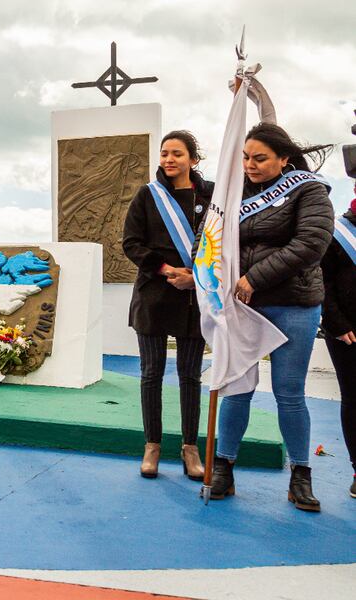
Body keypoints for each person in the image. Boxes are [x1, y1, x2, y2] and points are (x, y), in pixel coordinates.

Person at [211, 123, 334, 512]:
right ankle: (223, 469)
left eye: (260, 158)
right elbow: (209, 238)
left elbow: (311, 244)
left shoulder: (308, 190)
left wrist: (254, 277)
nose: (250, 165)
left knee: (289, 393)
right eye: (245, 157)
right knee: (236, 389)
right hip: (241, 307)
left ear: (284, 159)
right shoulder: (231, 193)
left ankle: (300, 476)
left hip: (293, 305)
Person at [123, 131, 214, 480]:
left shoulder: (211, 195)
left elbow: (222, 241)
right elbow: (131, 243)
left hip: (195, 295)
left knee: (190, 376)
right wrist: (163, 268)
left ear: (194, 158)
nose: (169, 159)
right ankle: (152, 446)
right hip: (154, 296)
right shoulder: (148, 196)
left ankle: (190, 448)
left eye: (177, 153)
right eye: (164, 154)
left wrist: (198, 274)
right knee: (151, 374)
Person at [321, 176, 356, 498]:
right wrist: (337, 323)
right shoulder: (339, 233)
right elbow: (324, 282)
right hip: (347, 332)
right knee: (354, 399)